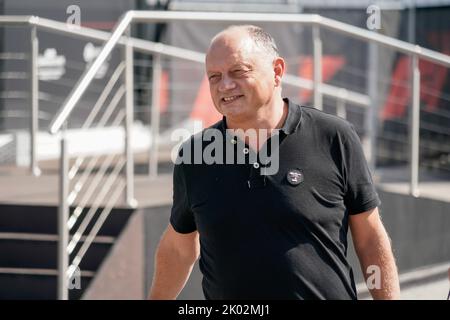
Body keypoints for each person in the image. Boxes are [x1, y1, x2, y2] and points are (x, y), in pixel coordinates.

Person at [149, 25, 400, 300]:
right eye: (214, 77)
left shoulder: (334, 137)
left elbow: (370, 239)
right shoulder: (195, 154)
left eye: (238, 72)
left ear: (277, 71)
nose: (225, 85)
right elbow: (178, 247)